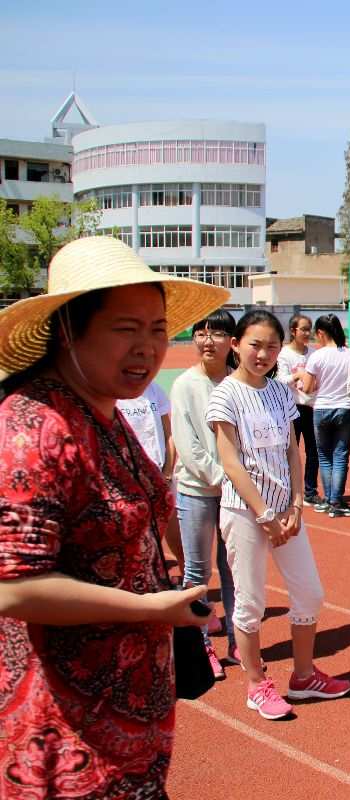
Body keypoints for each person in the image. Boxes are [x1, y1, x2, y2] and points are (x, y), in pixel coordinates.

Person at [0, 236, 226, 797]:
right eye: (126, 329)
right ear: (69, 331)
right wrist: (147, 608)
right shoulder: (34, 428)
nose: (147, 348)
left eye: (156, 329)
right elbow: (13, 587)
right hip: (62, 727)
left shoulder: (105, 412)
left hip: (125, 718)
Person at [207, 310, 350, 720]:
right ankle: (255, 683)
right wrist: (265, 512)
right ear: (236, 345)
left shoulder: (281, 392)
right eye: (255, 344)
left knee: (309, 592)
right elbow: (231, 461)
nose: (264, 353)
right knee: (250, 601)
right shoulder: (225, 395)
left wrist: (296, 505)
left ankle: (304, 677)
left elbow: (292, 449)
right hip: (244, 512)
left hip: (285, 512)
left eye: (272, 346)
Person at [172, 309, 240, 676]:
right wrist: (224, 477)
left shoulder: (236, 383)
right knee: (197, 574)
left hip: (232, 493)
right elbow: (189, 446)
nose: (206, 340)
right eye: (200, 332)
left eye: (215, 333)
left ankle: (236, 641)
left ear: (232, 342)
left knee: (232, 570)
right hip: (197, 491)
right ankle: (200, 645)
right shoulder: (185, 385)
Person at [298, 315, 350, 517]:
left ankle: (327, 499)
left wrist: (309, 382)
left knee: (324, 457)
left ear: (321, 333)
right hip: (345, 407)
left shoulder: (317, 356)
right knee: (340, 456)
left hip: (321, 408)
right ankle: (336, 500)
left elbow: (306, 388)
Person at [276, 313, 319, 505]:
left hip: (311, 407)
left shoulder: (313, 353)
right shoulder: (284, 354)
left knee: (314, 451)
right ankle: (288, 491)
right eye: (303, 329)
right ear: (293, 331)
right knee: (289, 451)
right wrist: (299, 375)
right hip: (291, 408)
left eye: (309, 329)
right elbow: (280, 380)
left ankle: (310, 492)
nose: (307, 333)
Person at [117, 379, 174, 476]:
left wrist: (168, 471)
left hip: (158, 471)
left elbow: (169, 435)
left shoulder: (154, 389)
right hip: (127, 473)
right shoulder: (113, 394)